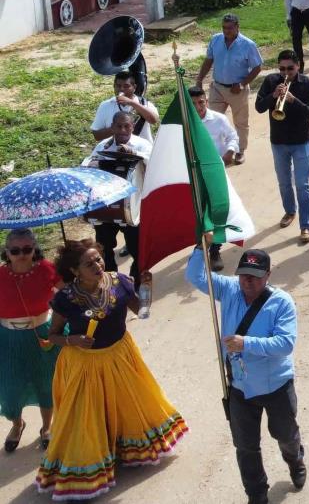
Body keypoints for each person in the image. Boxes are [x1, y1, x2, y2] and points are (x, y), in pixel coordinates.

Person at [37, 240, 187, 500]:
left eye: (98, 259)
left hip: (120, 356)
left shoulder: (119, 282)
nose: (97, 265)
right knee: (87, 416)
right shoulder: (65, 298)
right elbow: (53, 335)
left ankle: (123, 449)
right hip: (85, 363)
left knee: (125, 405)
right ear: (74, 271)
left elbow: (142, 312)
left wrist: (147, 291)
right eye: (89, 263)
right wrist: (73, 340)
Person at [186, 242, 306, 504]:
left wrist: (246, 343)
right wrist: (200, 246)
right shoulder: (229, 289)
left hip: (276, 386)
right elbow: (195, 276)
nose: (247, 282)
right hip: (239, 387)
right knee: (245, 446)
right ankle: (257, 494)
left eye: (254, 277)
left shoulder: (282, 303)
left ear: (268, 276)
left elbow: (285, 344)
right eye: (243, 275)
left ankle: (295, 458)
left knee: (285, 435)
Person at [1, 229, 59, 454]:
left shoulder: (47, 269)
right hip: (7, 339)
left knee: (45, 384)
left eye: (27, 249)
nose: (22, 254)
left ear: (35, 248)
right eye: (15, 250)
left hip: (42, 334)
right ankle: (17, 424)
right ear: (7, 252)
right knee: (9, 389)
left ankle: (46, 428)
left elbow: (66, 295)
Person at [255, 50, 309, 243]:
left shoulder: (307, 84)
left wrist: (292, 100)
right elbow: (259, 107)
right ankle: (290, 211)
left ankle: (306, 225)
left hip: (301, 141)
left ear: (298, 66)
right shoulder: (270, 81)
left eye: (290, 68)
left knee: (302, 185)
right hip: (279, 141)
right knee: (283, 182)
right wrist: (273, 96)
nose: (285, 73)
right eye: (282, 68)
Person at [83, 111, 152, 284]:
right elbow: (88, 167)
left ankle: (135, 283)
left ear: (132, 126)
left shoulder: (143, 145)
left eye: (126, 126)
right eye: (118, 126)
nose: (122, 130)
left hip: (133, 208)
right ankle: (111, 283)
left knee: (138, 250)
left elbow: (154, 166)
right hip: (106, 208)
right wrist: (90, 164)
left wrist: (134, 153)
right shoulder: (103, 146)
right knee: (104, 249)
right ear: (112, 127)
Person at [195, 13, 262, 163]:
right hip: (217, 87)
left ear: (237, 27)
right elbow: (208, 60)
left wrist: (243, 84)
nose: (227, 31)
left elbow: (257, 67)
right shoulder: (216, 40)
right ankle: (215, 149)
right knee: (211, 118)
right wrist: (199, 79)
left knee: (240, 122)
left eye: (230, 28)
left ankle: (240, 151)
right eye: (224, 28)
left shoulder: (248, 45)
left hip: (237, 90)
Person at [189, 86, 240, 270]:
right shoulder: (185, 124)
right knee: (198, 211)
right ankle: (200, 246)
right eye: (193, 104)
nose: (198, 107)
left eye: (201, 102)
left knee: (217, 210)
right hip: (194, 174)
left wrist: (230, 151)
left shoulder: (219, 119)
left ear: (206, 101)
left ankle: (215, 249)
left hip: (216, 173)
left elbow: (233, 137)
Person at [90, 70, 158, 144]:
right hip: (113, 151)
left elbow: (154, 120)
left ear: (134, 87)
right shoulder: (105, 105)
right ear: (114, 86)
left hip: (140, 150)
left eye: (126, 86)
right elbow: (97, 136)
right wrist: (115, 129)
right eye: (118, 86)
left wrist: (132, 103)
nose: (121, 89)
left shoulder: (145, 104)